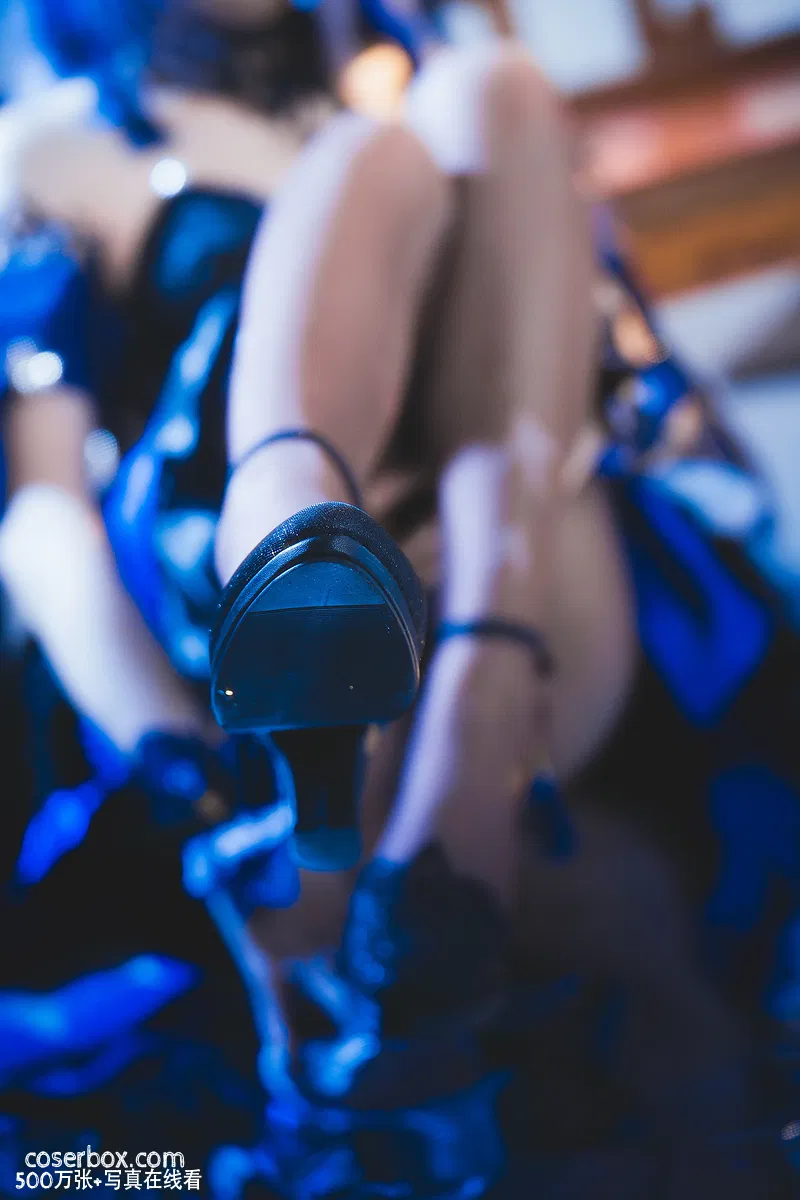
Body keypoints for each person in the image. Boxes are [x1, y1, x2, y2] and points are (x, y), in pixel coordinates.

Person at [0, 4, 797, 1199]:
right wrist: (177, 762)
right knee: (416, 131)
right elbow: (41, 514)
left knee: (487, 95)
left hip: (500, 567)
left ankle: (343, 572)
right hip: (241, 652)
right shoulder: (58, 143)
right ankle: (361, 603)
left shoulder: (423, 84)